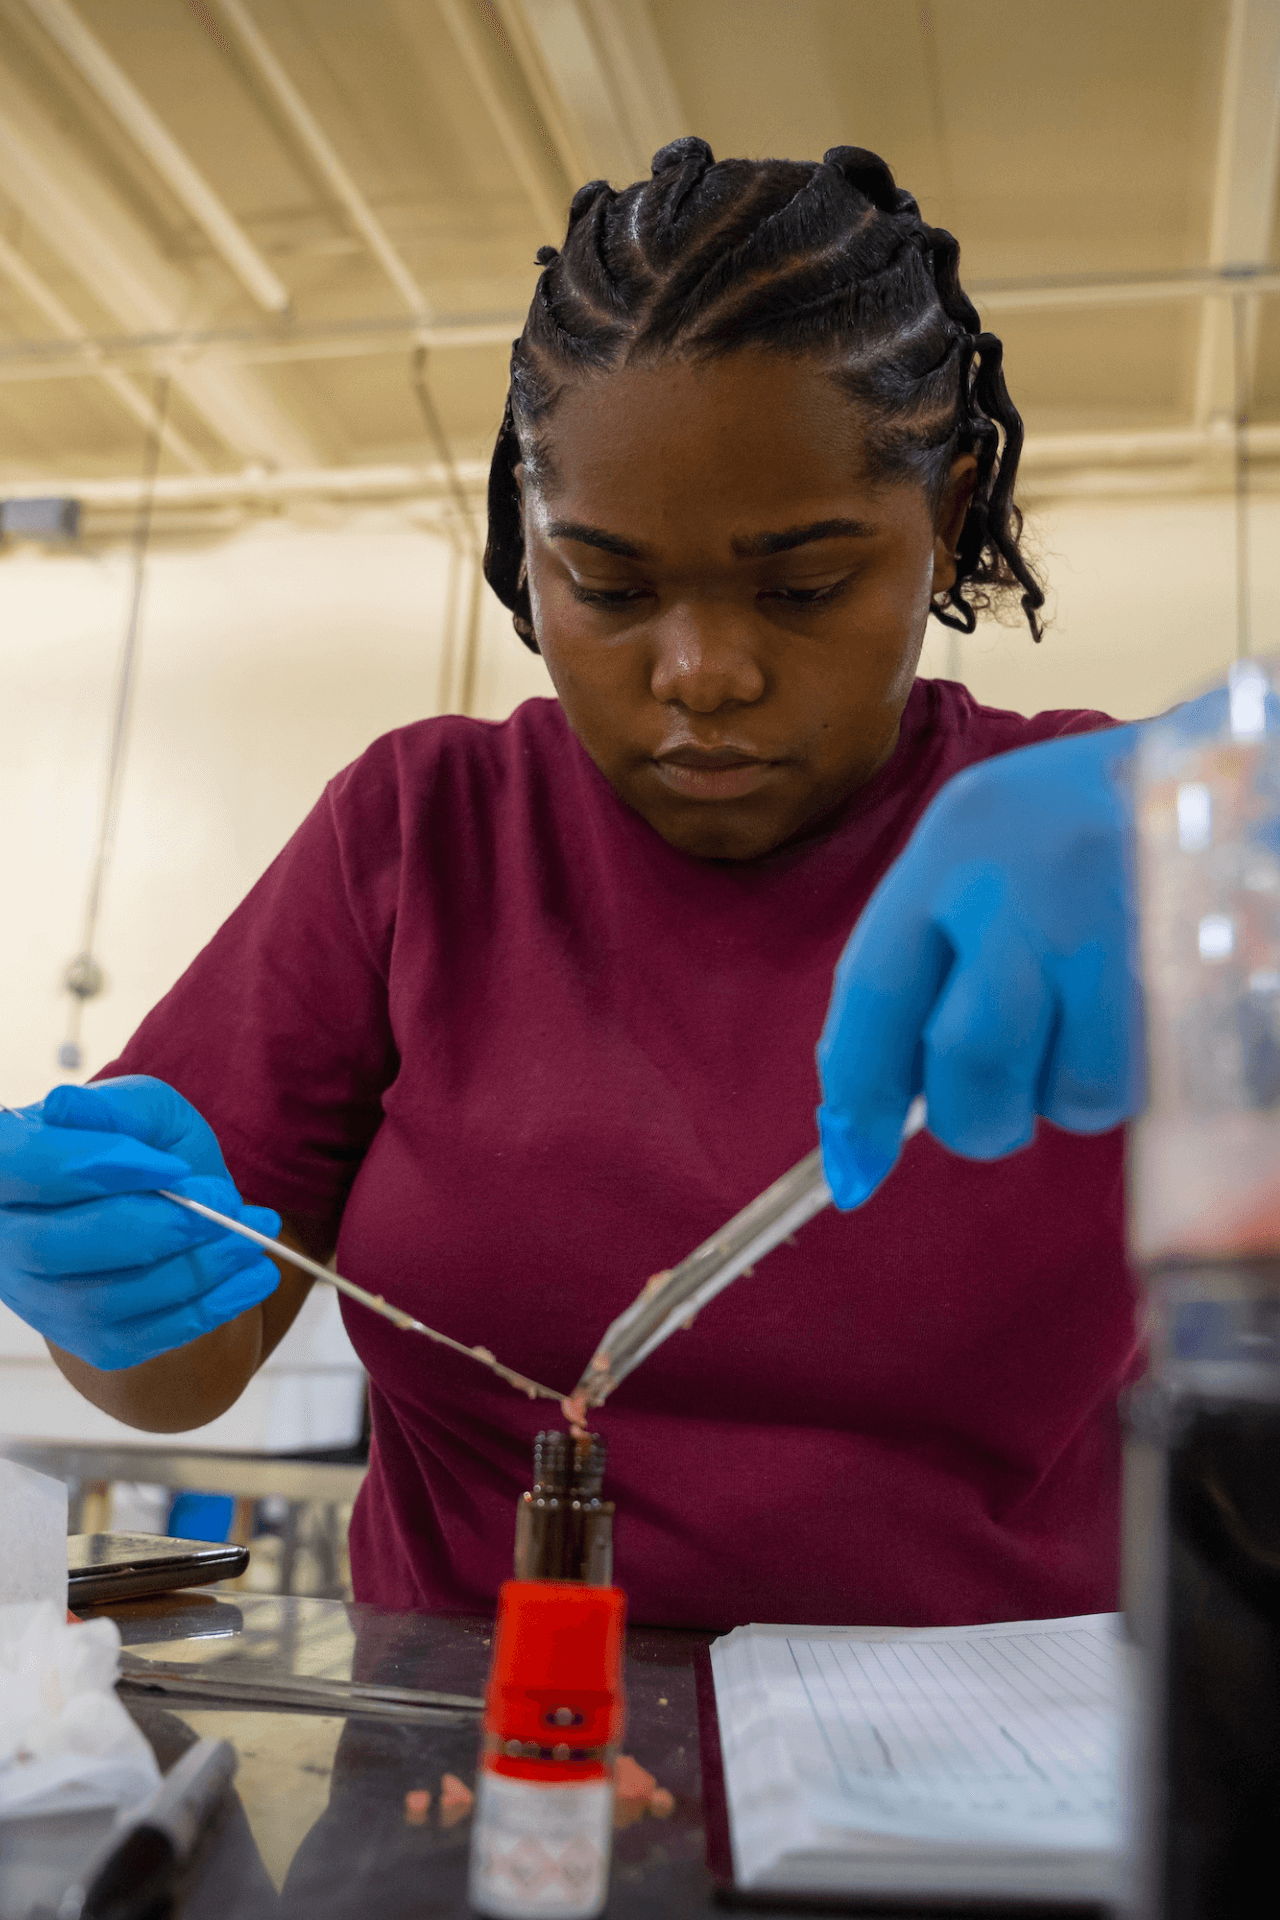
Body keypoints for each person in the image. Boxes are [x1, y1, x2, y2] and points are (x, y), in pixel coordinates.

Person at [0, 141, 1144, 1630]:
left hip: (1000, 1795)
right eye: (605, 586)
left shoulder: (1098, 857)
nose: (702, 673)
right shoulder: (423, 839)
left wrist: (1229, 793)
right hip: (465, 1775)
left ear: (949, 509)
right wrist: (98, 1282)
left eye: (802, 587)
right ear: (524, 535)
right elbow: (180, 1374)